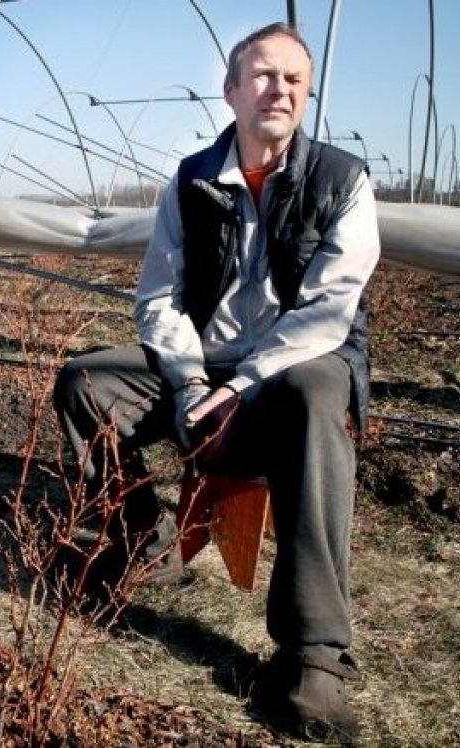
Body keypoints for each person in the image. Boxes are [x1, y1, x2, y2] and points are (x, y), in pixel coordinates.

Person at [52, 22, 379, 741]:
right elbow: (159, 298)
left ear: (307, 93)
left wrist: (242, 385)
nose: (278, 90)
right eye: (262, 75)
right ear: (230, 90)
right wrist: (194, 381)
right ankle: (141, 536)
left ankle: (314, 652)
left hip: (293, 367)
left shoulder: (341, 181)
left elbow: (329, 311)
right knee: (85, 382)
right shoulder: (193, 179)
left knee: (318, 390)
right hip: (207, 367)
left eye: (293, 79)